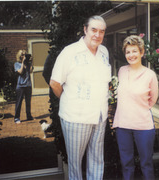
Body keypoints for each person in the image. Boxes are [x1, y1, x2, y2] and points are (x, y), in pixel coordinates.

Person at [50, 15, 111, 180]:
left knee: (97, 160)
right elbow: (55, 83)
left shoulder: (104, 52)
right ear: (85, 29)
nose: (97, 35)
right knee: (75, 164)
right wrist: (70, 100)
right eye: (94, 30)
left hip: (100, 116)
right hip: (76, 118)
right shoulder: (70, 52)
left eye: (102, 31)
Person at [113, 35, 159, 180]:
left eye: (134, 51)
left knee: (146, 163)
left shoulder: (150, 74)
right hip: (122, 125)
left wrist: (139, 110)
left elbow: (152, 99)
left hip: (143, 125)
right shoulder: (121, 71)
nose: (131, 55)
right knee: (126, 163)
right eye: (128, 52)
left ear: (141, 52)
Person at [14, 50, 34, 124]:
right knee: (19, 103)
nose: (24, 56)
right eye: (22, 55)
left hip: (28, 85)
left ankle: (29, 116)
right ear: (20, 56)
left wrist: (30, 62)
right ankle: (16, 118)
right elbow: (20, 72)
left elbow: (31, 71)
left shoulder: (28, 64)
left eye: (25, 54)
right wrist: (23, 62)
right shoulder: (17, 64)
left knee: (28, 102)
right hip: (20, 86)